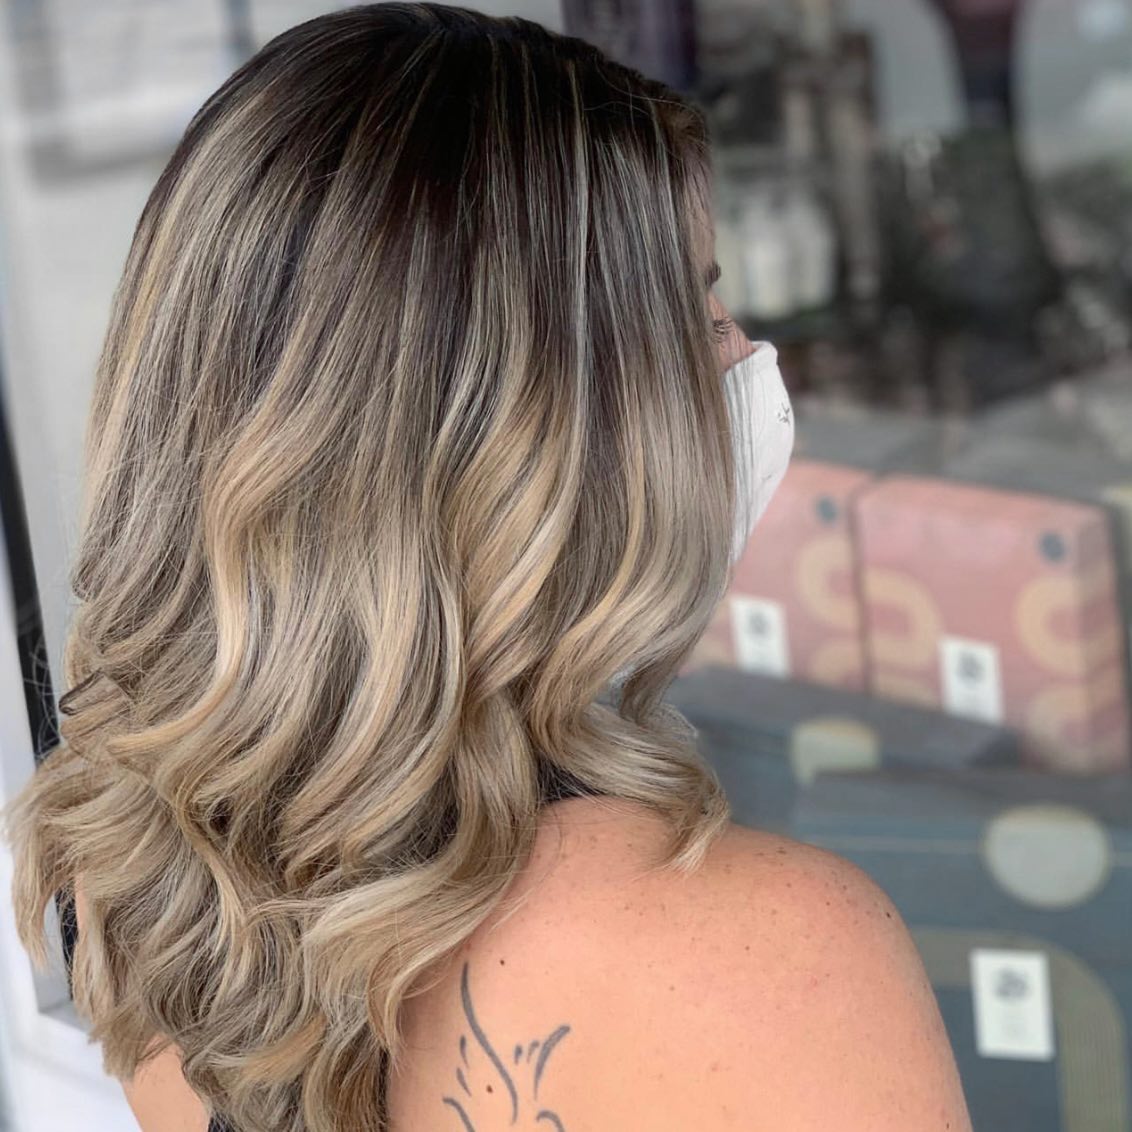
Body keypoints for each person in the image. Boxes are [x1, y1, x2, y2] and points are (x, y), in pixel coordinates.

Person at [0, 5, 973, 1131]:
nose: (746, 355)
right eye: (700, 312)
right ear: (549, 438)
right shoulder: (768, 957)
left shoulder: (145, 878)